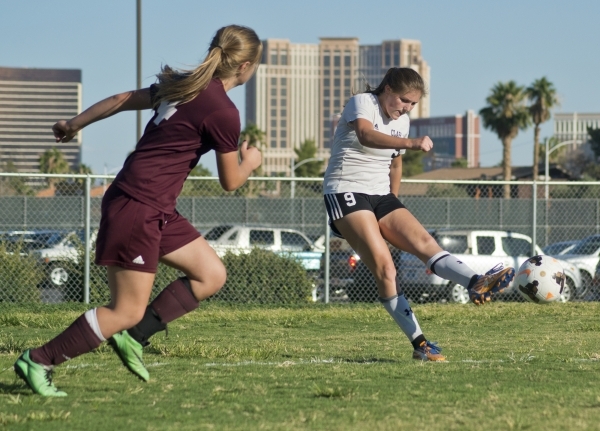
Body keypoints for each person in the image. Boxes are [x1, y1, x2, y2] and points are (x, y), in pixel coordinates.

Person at [14, 25, 263, 396]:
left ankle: (135, 336)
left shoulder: (183, 84)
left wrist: (73, 124)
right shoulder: (223, 112)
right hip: (139, 205)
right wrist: (252, 161)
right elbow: (231, 181)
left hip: (153, 205)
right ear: (245, 66)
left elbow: (118, 99)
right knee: (125, 309)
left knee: (210, 274)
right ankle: (40, 359)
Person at [323, 67, 515, 362]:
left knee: (427, 244)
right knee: (386, 269)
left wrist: (393, 204)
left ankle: (476, 281)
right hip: (345, 191)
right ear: (387, 88)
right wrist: (411, 143)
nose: (407, 108)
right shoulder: (363, 102)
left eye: (412, 104)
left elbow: (395, 165)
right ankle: (420, 343)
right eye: (403, 100)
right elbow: (365, 135)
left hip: (380, 195)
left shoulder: (404, 121)